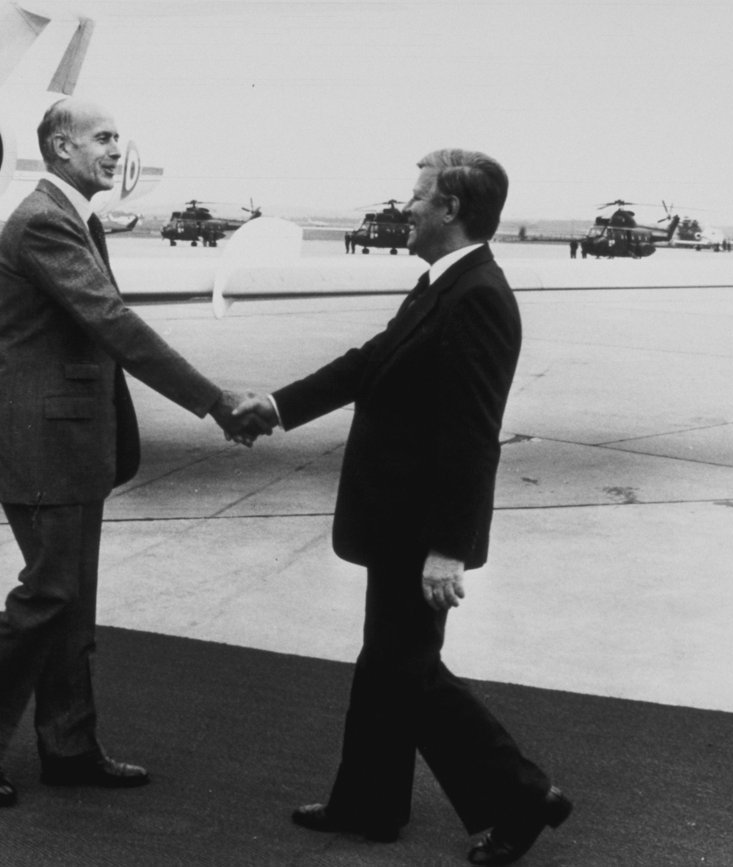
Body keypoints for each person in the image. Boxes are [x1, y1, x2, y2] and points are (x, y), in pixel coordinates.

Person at [234, 149, 571, 865]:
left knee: (407, 669)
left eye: (417, 197)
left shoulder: (477, 295)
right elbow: (371, 362)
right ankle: (370, 801)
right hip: (395, 520)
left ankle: (522, 794)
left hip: (420, 528)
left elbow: (474, 434)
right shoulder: (441, 285)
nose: (405, 208)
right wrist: (277, 406)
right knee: (388, 662)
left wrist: (449, 545)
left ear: (450, 209)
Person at [0, 96, 263, 808]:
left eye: (119, 137)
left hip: (67, 440)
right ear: (60, 148)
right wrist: (213, 400)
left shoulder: (71, 217)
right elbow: (111, 322)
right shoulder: (46, 221)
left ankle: (70, 744)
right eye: (102, 139)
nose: (117, 150)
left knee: (71, 604)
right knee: (51, 593)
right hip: (41, 441)